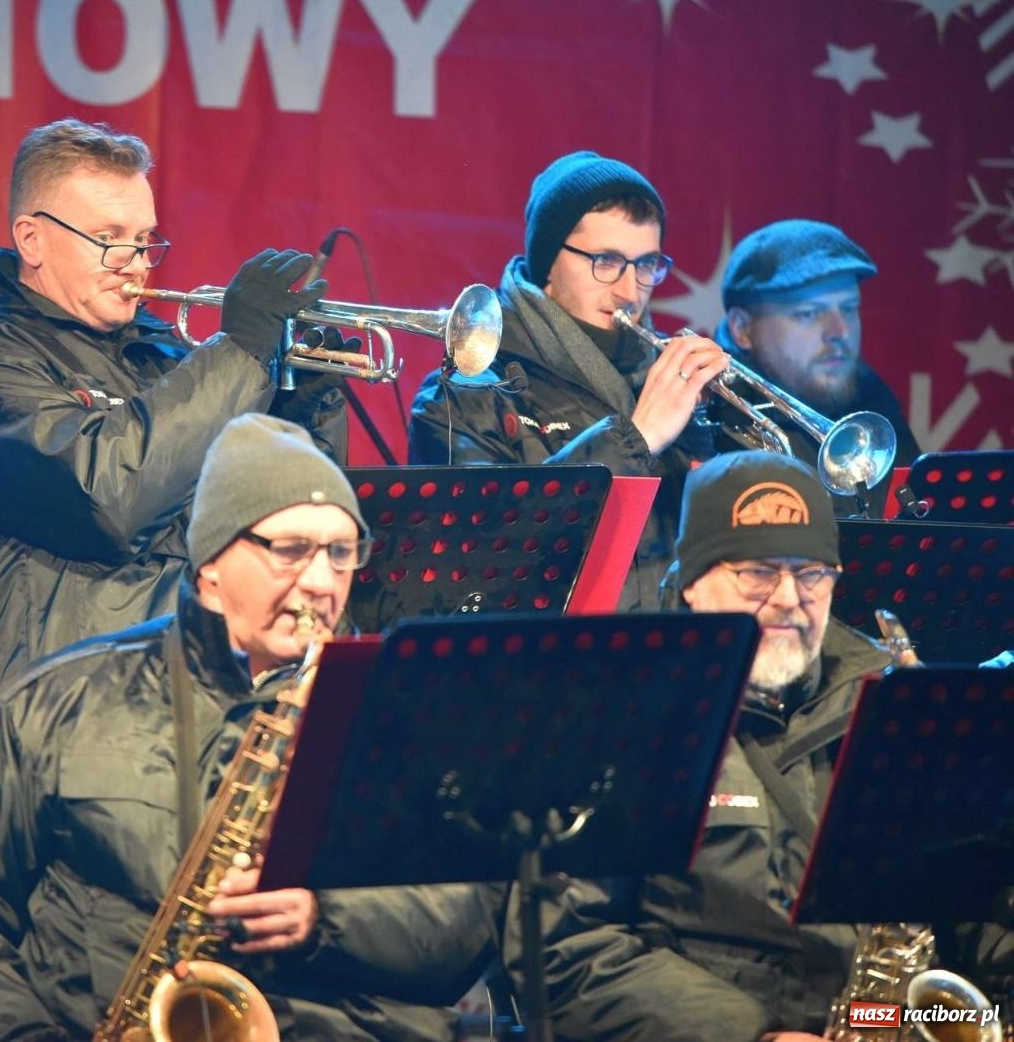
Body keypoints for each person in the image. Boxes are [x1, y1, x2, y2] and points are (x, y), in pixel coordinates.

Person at [0, 414, 495, 1041]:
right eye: (289, 550)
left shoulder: (398, 712)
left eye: (341, 552)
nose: (319, 581)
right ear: (210, 564)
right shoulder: (59, 700)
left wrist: (325, 918)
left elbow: (471, 925)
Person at [506, 451, 1007, 1040]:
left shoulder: (898, 704)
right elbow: (566, 949)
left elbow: (979, 905)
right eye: (759, 573)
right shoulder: (613, 719)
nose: (790, 598)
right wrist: (754, 1035)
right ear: (692, 583)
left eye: (812, 572)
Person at [0, 118, 348, 744]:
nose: (133, 264)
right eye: (108, 238)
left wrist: (308, 408)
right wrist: (239, 350)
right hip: (57, 731)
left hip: (194, 706)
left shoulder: (171, 356)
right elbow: (107, 496)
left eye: (143, 239)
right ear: (31, 239)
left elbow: (278, 516)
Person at [408, 150, 730, 611]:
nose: (629, 290)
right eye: (606, 261)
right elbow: (486, 555)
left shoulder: (666, 379)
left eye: (646, 265)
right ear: (548, 265)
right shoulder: (464, 393)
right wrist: (635, 439)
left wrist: (713, 438)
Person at [716, 219, 923, 510]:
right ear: (743, 329)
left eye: (849, 309)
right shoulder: (709, 420)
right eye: (809, 313)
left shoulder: (872, 397)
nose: (841, 332)